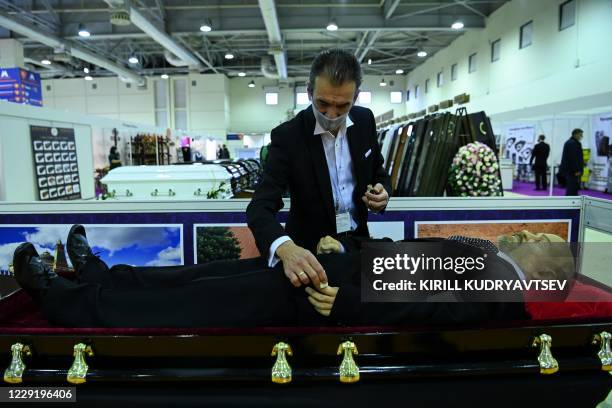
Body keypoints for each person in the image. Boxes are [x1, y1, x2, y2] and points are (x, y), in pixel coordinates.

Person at [11, 225, 581, 328]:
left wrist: (352, 307)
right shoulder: (483, 259)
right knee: (192, 279)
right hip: (324, 266)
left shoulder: (499, 287)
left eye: (543, 244)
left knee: (188, 306)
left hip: (322, 297)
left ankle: (65, 300)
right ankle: (101, 273)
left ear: (543, 272)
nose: (532, 236)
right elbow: (406, 260)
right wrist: (349, 245)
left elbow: (433, 310)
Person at [246, 49, 391, 290]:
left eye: (342, 106)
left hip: (358, 248)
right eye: (322, 103)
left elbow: (378, 170)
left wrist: (382, 191)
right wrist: (286, 248)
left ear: (356, 97)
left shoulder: (365, 120)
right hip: (308, 259)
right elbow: (260, 206)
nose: (331, 115)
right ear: (309, 91)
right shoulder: (288, 136)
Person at [559, 128, 584, 196]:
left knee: (573, 187)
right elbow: (573, 158)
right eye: (580, 135)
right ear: (575, 134)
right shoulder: (572, 143)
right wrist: (576, 170)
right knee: (572, 188)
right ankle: (569, 202)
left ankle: (572, 201)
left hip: (571, 170)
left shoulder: (572, 142)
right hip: (572, 170)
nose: (581, 137)